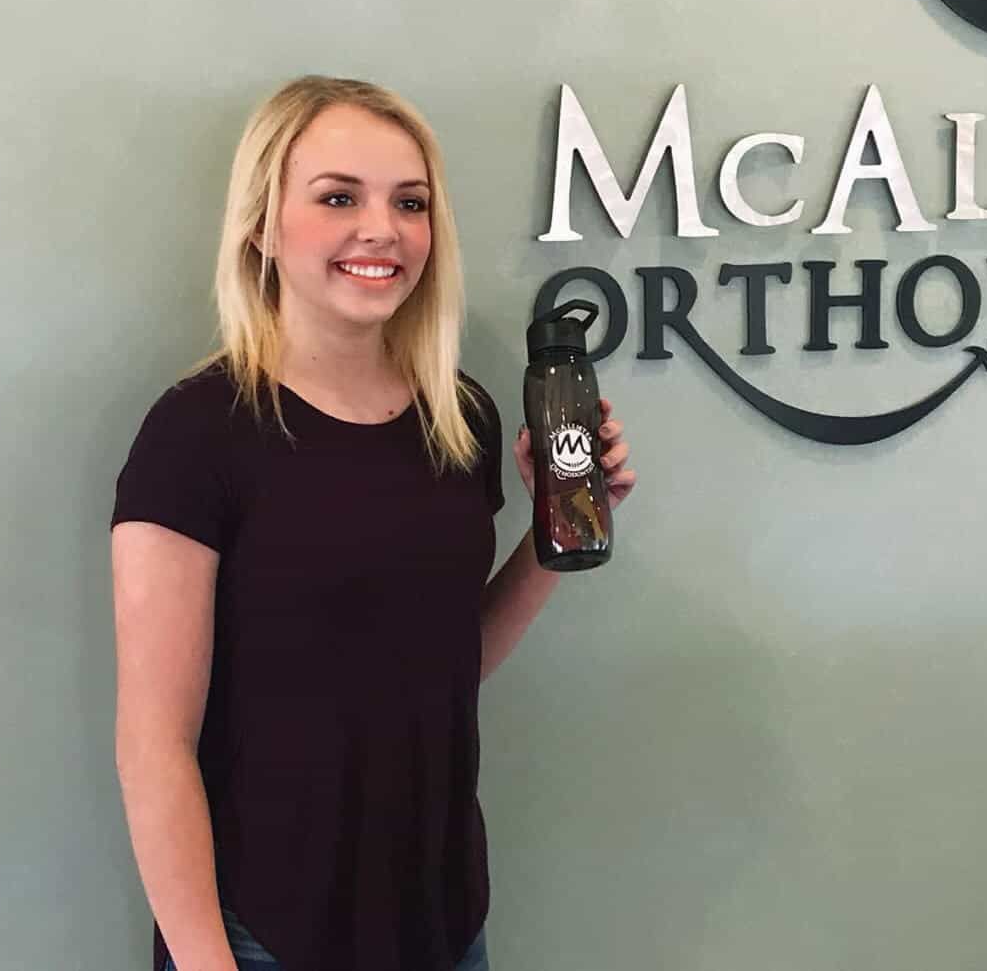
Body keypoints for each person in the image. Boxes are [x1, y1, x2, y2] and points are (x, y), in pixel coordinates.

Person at [108, 75, 636, 971]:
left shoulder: (457, 418)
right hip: (262, 932)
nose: (381, 230)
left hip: (439, 917)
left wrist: (557, 537)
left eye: (410, 202)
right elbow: (154, 745)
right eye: (338, 197)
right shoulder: (197, 432)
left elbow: (444, 660)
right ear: (263, 225)